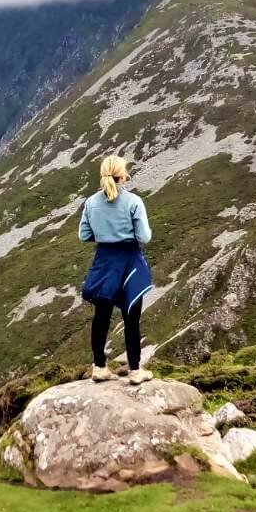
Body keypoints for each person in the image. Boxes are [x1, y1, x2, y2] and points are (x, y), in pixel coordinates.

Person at [78, 156, 154, 385]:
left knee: (101, 316)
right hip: (129, 261)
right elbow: (144, 237)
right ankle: (135, 371)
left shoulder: (91, 203)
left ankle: (99, 367)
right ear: (123, 175)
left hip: (104, 262)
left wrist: (103, 235)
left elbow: (83, 235)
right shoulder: (133, 202)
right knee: (132, 317)